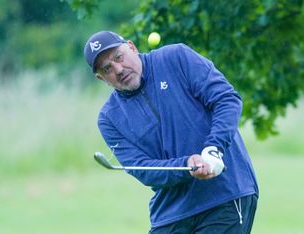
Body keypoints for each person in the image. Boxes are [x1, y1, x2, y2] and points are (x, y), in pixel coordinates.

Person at [84, 31, 259, 233]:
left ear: (131, 47)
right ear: (101, 78)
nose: (119, 69)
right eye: (108, 68)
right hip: (170, 213)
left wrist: (214, 147)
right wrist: (186, 165)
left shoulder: (176, 58)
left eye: (118, 57)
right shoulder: (109, 118)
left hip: (224, 195)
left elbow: (226, 100)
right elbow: (142, 168)